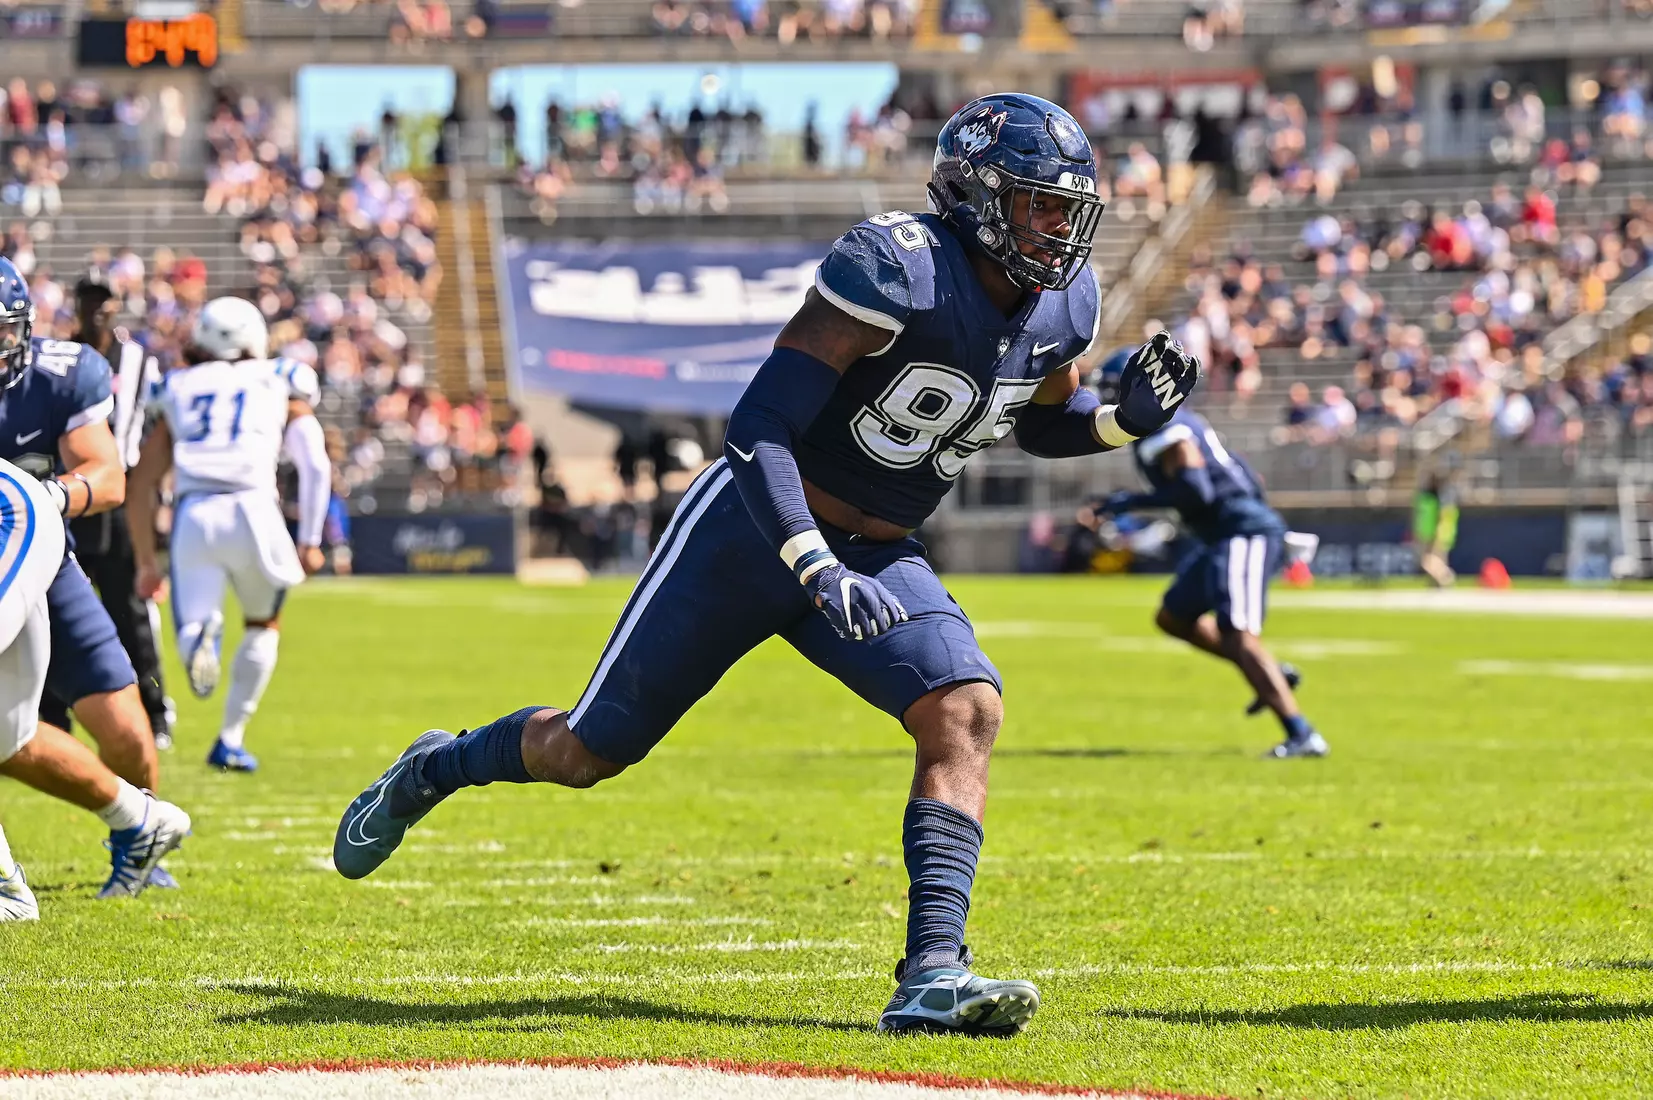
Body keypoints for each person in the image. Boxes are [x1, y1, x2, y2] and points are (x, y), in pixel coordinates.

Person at [331, 94, 1199, 1035]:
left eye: (1067, 209)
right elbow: (759, 426)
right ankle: (438, 767)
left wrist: (1118, 424)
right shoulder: (895, 265)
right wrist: (810, 560)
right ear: (973, 195)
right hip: (751, 530)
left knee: (965, 710)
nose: (1057, 230)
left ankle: (933, 972)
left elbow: (1033, 419)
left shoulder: (1062, 303)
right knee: (586, 752)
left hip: (880, 550)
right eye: (1036, 205)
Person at [0, 260, 190, 902]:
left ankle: (139, 830)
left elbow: (107, 478)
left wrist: (45, 498)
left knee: (126, 731)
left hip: (38, 554)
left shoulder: (60, 373)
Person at [126, 297, 332, 774]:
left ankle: (201, 636)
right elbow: (315, 461)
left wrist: (145, 561)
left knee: (194, 640)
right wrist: (312, 539)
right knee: (263, 624)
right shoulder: (281, 377)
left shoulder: (177, 384)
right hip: (255, 508)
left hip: (195, 513)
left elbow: (142, 486)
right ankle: (231, 737)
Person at [1096, 387, 1325, 758]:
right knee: (1174, 616)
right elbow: (1246, 476)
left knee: (1238, 633)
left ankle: (1303, 734)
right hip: (1226, 533)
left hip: (1239, 532)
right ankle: (1271, 674)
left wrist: (1133, 501)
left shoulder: (1169, 428)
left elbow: (1196, 490)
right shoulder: (1185, 422)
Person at [55, 274, 174, 752]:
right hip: (73, 495)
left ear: (117, 305)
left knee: (130, 612)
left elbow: (158, 426)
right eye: (87, 300)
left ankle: (154, 710)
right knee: (57, 606)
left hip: (122, 495)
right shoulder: (61, 355)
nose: (96, 309)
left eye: (103, 300)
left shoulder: (141, 360)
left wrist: (156, 492)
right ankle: (49, 715)